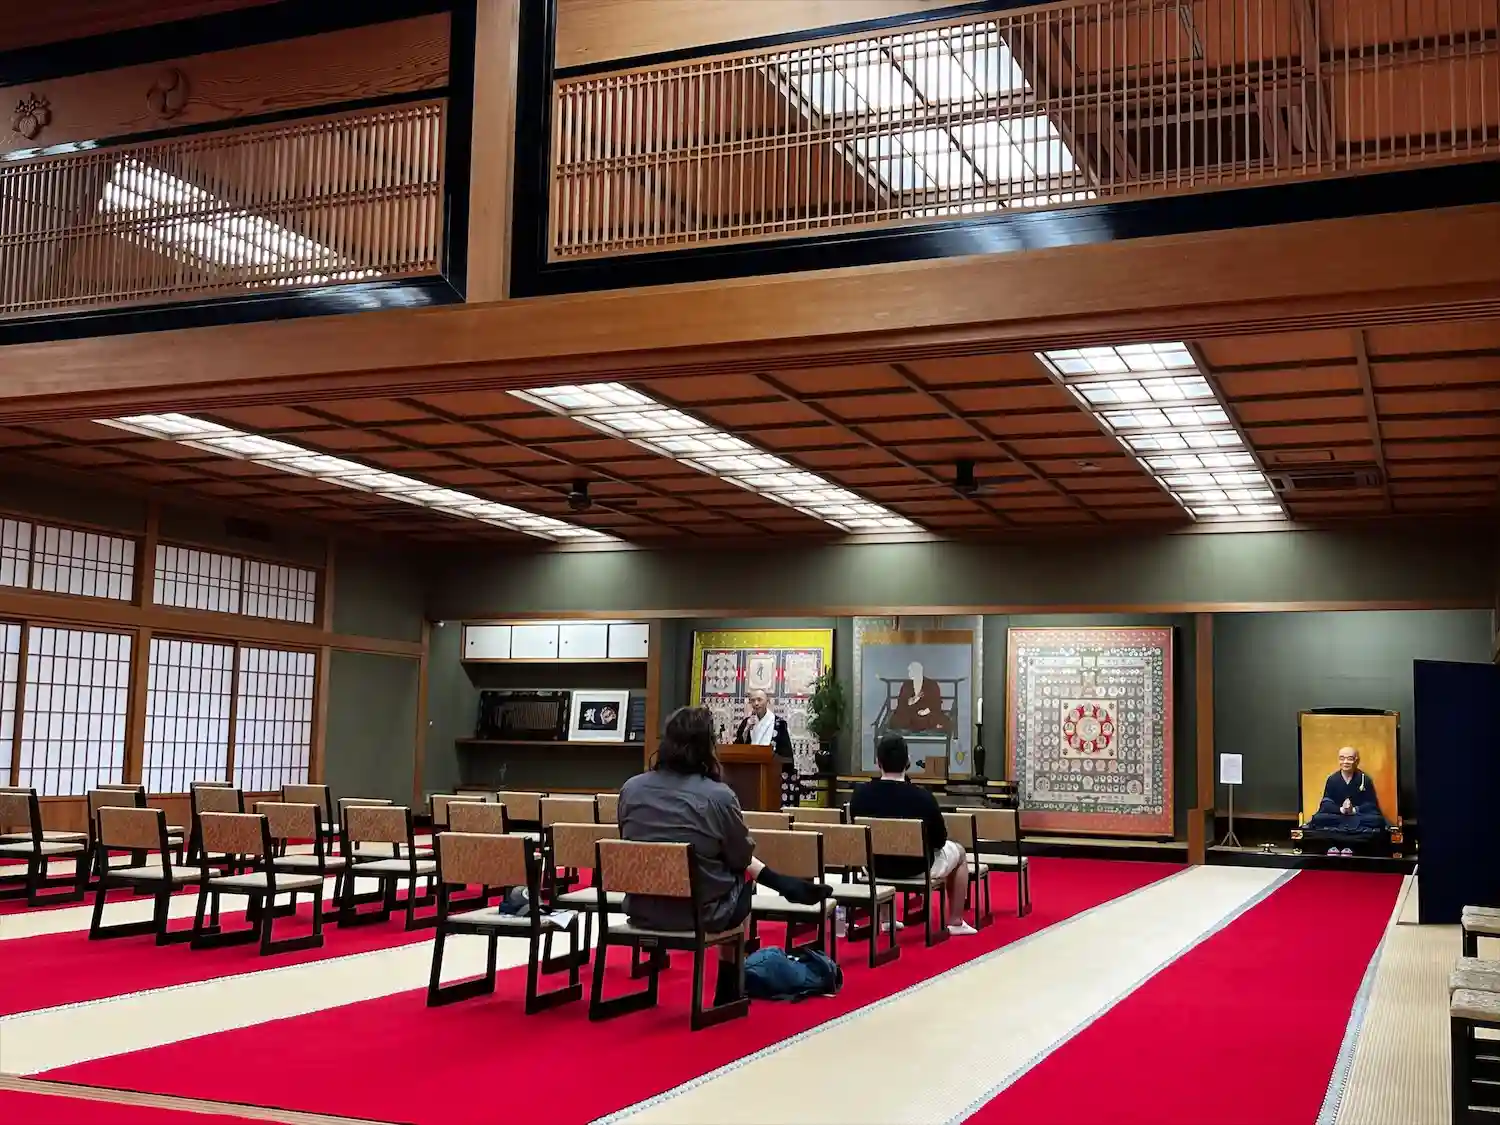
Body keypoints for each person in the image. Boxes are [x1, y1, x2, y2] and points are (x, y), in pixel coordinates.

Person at [617, 705, 832, 1005]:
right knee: (738, 875)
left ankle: (782, 884)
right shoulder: (718, 796)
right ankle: (728, 988)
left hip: (641, 907)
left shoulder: (631, 789)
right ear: (707, 746)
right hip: (700, 913)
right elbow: (741, 856)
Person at [848, 732, 977, 937]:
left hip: (874, 867)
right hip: (916, 868)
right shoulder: (922, 797)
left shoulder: (860, 795)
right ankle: (955, 921)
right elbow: (939, 840)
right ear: (908, 762)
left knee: (879, 846)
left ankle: (886, 920)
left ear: (878, 762)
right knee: (960, 853)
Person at [1305, 746, 1386, 856]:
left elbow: (1371, 804)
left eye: (1349, 758)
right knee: (1318, 819)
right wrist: (1341, 809)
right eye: (1342, 758)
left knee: (1377, 820)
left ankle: (1349, 845)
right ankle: (1334, 845)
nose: (1345, 762)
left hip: (1357, 816)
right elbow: (1326, 803)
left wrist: (1354, 810)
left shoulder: (1364, 779)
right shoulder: (1333, 779)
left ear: (1357, 761)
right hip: (1338, 816)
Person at [734, 688, 798, 805]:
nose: (756, 703)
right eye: (753, 700)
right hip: (750, 773)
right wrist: (746, 731)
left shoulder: (778, 724)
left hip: (771, 774)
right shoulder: (746, 723)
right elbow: (737, 748)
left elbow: (786, 754)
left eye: (759, 700)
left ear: (767, 701)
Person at [889, 662, 953, 733]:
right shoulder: (906, 685)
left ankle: (928, 727)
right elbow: (901, 701)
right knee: (897, 719)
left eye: (911, 671)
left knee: (941, 720)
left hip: (927, 714)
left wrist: (927, 711)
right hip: (910, 713)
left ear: (918, 671)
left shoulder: (931, 684)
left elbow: (936, 702)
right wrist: (911, 701)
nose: (909, 674)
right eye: (909, 671)